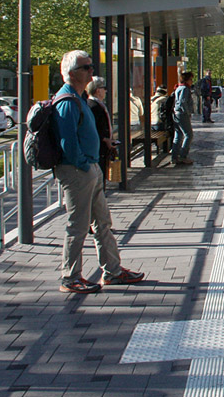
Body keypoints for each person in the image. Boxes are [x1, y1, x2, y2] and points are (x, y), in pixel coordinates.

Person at [53, 50, 145, 294]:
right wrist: (85, 165)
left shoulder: (78, 97)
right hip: (78, 171)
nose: (92, 71)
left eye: (92, 66)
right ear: (72, 73)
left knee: (102, 223)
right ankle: (70, 277)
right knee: (78, 226)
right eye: (86, 67)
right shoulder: (67, 102)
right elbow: (68, 143)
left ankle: (112, 272)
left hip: (90, 168)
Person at [86, 75, 116, 183]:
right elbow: (92, 128)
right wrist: (105, 139)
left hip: (101, 149)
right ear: (98, 90)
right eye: (104, 88)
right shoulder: (92, 106)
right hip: (98, 149)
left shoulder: (97, 105)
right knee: (99, 179)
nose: (106, 91)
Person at [171, 70, 196, 165]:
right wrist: (188, 112)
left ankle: (174, 157)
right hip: (182, 114)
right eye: (191, 79)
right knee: (189, 135)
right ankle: (183, 156)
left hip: (176, 113)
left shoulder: (178, 88)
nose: (192, 81)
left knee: (178, 135)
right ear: (186, 80)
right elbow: (182, 102)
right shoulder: (185, 89)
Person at [150, 85, 170, 153]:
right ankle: (166, 149)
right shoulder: (164, 99)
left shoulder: (151, 99)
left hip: (151, 123)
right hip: (158, 123)